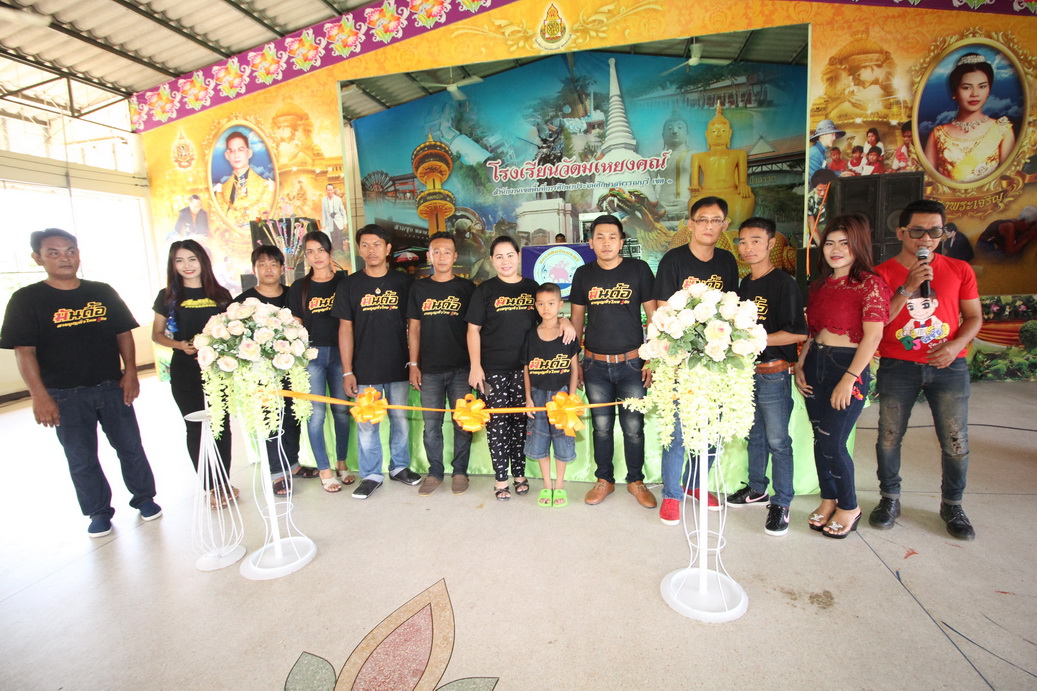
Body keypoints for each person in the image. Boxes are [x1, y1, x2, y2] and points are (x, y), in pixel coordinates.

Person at [1, 229, 161, 537]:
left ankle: (145, 498)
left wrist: (130, 372)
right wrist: (39, 396)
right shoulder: (26, 300)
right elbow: (24, 352)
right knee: (81, 458)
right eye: (54, 252)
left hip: (111, 388)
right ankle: (98, 512)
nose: (65, 258)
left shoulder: (101, 292)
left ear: (78, 254)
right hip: (64, 395)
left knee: (130, 447)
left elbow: (123, 333)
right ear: (38, 258)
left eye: (70, 251)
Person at [870, 199, 982, 540]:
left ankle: (952, 504)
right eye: (918, 231)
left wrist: (955, 345)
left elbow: (974, 317)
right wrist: (907, 287)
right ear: (901, 232)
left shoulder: (960, 269)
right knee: (889, 437)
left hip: (949, 367)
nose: (926, 239)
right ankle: (889, 498)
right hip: (898, 366)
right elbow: (878, 322)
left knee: (955, 439)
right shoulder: (881, 273)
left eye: (935, 231)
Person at [795, 214, 890, 538]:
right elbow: (814, 332)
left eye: (845, 243)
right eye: (830, 243)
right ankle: (828, 499)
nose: (835, 250)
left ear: (858, 245)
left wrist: (849, 378)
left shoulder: (870, 284)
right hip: (815, 364)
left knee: (834, 441)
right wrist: (800, 364)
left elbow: (873, 337)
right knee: (820, 439)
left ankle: (849, 506)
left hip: (847, 367)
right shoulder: (820, 285)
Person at [653, 196, 740, 525]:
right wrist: (674, 355)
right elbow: (662, 311)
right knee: (677, 430)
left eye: (716, 220)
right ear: (690, 224)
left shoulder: (727, 261)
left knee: (712, 429)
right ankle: (672, 493)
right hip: (681, 360)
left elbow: (732, 311)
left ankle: (695, 484)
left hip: (716, 360)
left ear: (725, 225)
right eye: (702, 219)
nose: (709, 226)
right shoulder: (673, 260)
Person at [569, 214, 657, 509]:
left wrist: (653, 359)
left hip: (633, 364)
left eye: (612, 237)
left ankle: (636, 480)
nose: (606, 243)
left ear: (621, 242)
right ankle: (603, 479)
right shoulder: (583, 274)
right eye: (600, 237)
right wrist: (575, 362)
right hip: (595, 365)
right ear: (591, 242)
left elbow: (654, 317)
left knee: (633, 427)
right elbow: (577, 321)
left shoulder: (638, 269)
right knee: (602, 427)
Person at [728, 218, 807, 536]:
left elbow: (797, 333)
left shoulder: (784, 284)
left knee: (778, 441)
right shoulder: (744, 285)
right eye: (743, 241)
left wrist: (755, 340)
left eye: (756, 241)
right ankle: (757, 488)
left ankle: (782, 502)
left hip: (773, 373)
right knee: (755, 436)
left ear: (771, 243)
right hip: (748, 373)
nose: (748, 248)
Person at [334, 224, 420, 499]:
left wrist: (414, 363)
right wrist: (347, 371)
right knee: (367, 424)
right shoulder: (349, 285)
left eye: (377, 245)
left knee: (400, 420)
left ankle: (400, 467)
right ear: (359, 249)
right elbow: (345, 329)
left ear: (388, 248)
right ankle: (371, 474)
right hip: (364, 369)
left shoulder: (403, 283)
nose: (371, 250)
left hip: (398, 366)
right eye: (365, 245)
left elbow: (414, 326)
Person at [151, 239, 236, 508]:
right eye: (179, 260)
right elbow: (157, 334)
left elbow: (233, 330)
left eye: (192, 259)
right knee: (196, 426)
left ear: (202, 261)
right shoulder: (167, 297)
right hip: (185, 369)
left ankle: (224, 482)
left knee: (221, 425)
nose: (186, 265)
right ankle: (210, 487)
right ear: (173, 265)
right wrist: (179, 345)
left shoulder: (221, 295)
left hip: (218, 370)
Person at [234, 245, 317, 496]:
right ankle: (277, 473)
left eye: (273, 264)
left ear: (282, 268)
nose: (268, 269)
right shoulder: (244, 302)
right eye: (262, 265)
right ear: (254, 269)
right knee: (271, 419)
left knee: (292, 415)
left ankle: (292, 463)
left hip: (292, 369)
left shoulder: (294, 295)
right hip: (261, 374)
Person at [466, 236, 543, 501]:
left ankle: (519, 474)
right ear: (491, 261)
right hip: (493, 370)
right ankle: (501, 479)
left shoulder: (532, 288)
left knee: (520, 423)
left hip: (525, 370)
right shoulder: (485, 290)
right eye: (499, 257)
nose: (505, 261)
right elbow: (473, 330)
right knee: (497, 424)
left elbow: (547, 319)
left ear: (518, 256)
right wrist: (476, 366)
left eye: (510, 255)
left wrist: (565, 322)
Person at [407, 232, 476, 496]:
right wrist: (414, 364)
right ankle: (435, 472)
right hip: (430, 371)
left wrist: (476, 365)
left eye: (447, 252)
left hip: (461, 369)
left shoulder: (467, 289)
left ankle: (460, 471)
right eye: (436, 252)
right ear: (429, 256)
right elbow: (414, 329)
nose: (442, 257)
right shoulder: (419, 288)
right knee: (431, 426)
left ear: (455, 256)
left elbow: (475, 330)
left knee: (463, 423)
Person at [287, 231, 353, 493]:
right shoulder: (299, 287)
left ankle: (341, 463)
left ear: (330, 252)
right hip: (312, 357)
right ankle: (324, 469)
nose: (316, 256)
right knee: (316, 415)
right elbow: (295, 325)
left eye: (321, 250)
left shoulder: (344, 283)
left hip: (341, 355)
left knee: (341, 412)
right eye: (310, 252)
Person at [523, 283, 580, 508]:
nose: (546, 308)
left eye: (551, 303)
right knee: (539, 440)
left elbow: (574, 369)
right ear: (535, 306)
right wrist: (528, 398)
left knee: (562, 440)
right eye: (541, 304)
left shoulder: (568, 334)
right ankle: (547, 485)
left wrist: (571, 398)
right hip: (537, 396)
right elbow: (526, 369)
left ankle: (560, 486)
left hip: (562, 397)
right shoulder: (530, 335)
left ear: (560, 305)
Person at [924, 53, 1016, 183]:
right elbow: (927, 183)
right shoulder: (937, 134)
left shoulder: (1002, 130)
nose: (975, 94)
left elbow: (1009, 180)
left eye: (982, 86)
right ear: (954, 92)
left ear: (989, 90)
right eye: (966, 87)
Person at [213, 130, 276, 224]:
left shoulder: (267, 187)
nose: (236, 155)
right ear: (227, 155)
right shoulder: (220, 193)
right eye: (231, 151)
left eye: (240, 149)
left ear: (249, 153)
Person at [321, 183, 348, 253]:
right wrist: (324, 225)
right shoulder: (324, 200)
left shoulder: (338, 199)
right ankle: (335, 252)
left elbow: (343, 211)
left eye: (331, 190)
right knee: (333, 237)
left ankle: (341, 251)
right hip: (330, 222)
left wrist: (345, 223)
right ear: (326, 190)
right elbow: (324, 213)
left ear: (333, 190)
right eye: (328, 190)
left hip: (338, 221)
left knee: (339, 236)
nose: (330, 191)